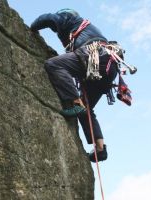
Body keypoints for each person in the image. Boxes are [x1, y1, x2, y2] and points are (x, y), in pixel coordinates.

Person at [30, 8, 119, 162]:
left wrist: (31, 28)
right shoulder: (85, 30)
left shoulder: (70, 18)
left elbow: (49, 18)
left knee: (53, 65)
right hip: (108, 68)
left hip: (95, 57)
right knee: (86, 108)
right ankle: (100, 148)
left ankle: (75, 102)